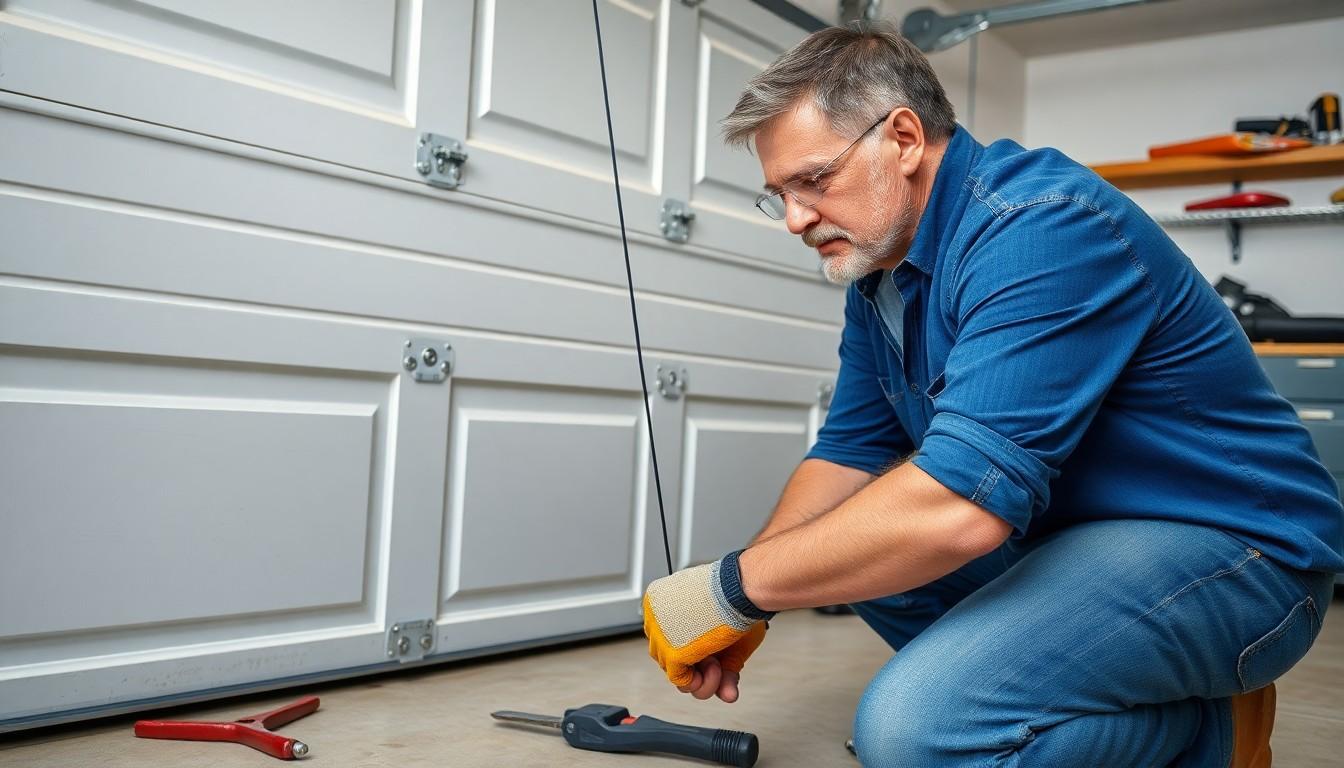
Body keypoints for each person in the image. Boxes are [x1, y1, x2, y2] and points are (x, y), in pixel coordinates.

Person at [640, 22, 1344, 768]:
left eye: (814, 180)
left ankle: (1207, 735)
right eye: (779, 194)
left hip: (1235, 553)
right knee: (856, 531)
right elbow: (849, 451)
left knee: (914, 732)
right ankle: (1028, 702)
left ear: (904, 138)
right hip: (1071, 541)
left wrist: (728, 588)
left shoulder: (1043, 227)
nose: (795, 219)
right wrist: (761, 590)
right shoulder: (882, 276)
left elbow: (958, 509)